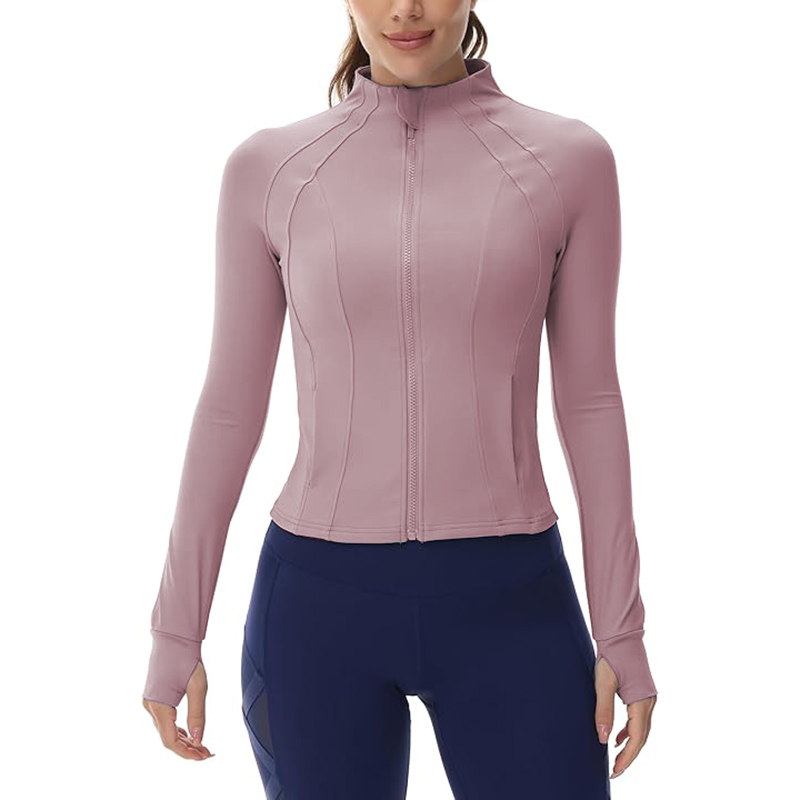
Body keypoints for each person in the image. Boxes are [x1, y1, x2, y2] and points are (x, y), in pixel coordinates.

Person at [141, 0, 658, 796]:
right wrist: (177, 631)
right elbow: (229, 408)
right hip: (317, 608)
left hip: (513, 603)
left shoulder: (569, 161)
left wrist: (622, 628)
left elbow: (590, 401)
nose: (406, 9)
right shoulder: (270, 169)